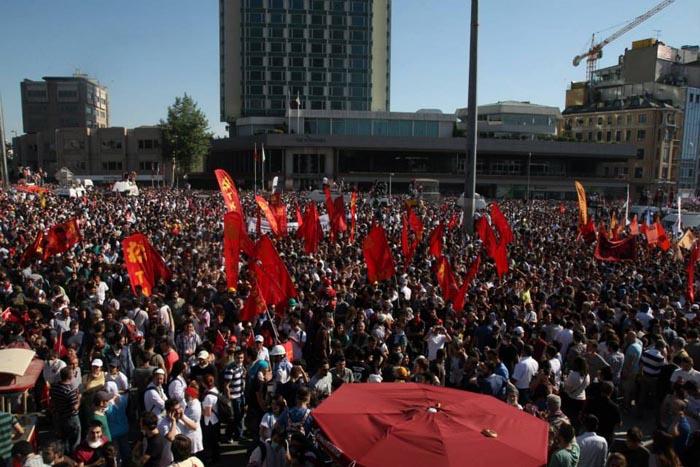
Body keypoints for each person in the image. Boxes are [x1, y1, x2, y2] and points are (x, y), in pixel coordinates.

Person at [50, 366, 81, 453]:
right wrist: (79, 398)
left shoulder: (54, 387)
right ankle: (74, 455)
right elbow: (74, 407)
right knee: (75, 440)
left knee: (64, 438)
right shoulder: (70, 391)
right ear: (70, 377)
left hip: (60, 416)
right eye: (73, 374)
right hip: (71, 418)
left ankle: (65, 454)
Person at [223, 348, 246, 442]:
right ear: (234, 358)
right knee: (233, 418)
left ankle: (239, 435)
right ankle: (228, 436)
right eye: (238, 358)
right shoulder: (230, 369)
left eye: (241, 358)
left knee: (240, 417)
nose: (240, 360)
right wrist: (229, 399)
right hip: (233, 398)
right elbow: (226, 385)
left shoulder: (241, 366)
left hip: (240, 395)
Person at [201, 374, 221, 463]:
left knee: (210, 442)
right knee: (215, 441)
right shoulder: (215, 390)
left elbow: (207, 413)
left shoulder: (208, 397)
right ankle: (215, 458)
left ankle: (212, 459)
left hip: (209, 422)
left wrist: (200, 410)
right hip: (215, 420)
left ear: (204, 383)